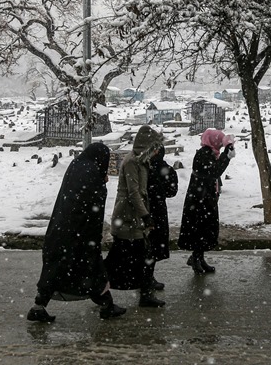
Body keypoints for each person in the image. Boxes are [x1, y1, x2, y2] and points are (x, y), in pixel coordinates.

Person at [27, 142, 126, 323]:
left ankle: (38, 306)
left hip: (62, 228)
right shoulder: (91, 172)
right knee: (92, 268)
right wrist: (101, 183)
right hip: (81, 232)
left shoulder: (78, 165)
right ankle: (106, 305)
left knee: (56, 269)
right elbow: (93, 203)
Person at [104, 125, 166, 308]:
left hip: (134, 218)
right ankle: (99, 286)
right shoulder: (132, 162)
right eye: (154, 146)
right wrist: (146, 216)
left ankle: (143, 293)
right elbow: (133, 193)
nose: (157, 151)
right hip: (128, 218)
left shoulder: (142, 161)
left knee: (140, 255)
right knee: (125, 257)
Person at [178, 128, 235, 275]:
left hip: (205, 198)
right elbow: (214, 172)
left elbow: (215, 172)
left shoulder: (210, 153)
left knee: (204, 230)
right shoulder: (203, 154)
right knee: (200, 230)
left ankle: (199, 258)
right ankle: (196, 259)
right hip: (199, 200)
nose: (221, 147)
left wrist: (225, 153)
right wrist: (226, 157)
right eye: (220, 143)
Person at [145, 145, 179, 290]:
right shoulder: (166, 169)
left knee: (146, 244)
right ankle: (147, 278)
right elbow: (172, 191)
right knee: (154, 245)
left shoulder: (144, 167)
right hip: (157, 209)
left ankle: (144, 277)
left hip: (143, 208)